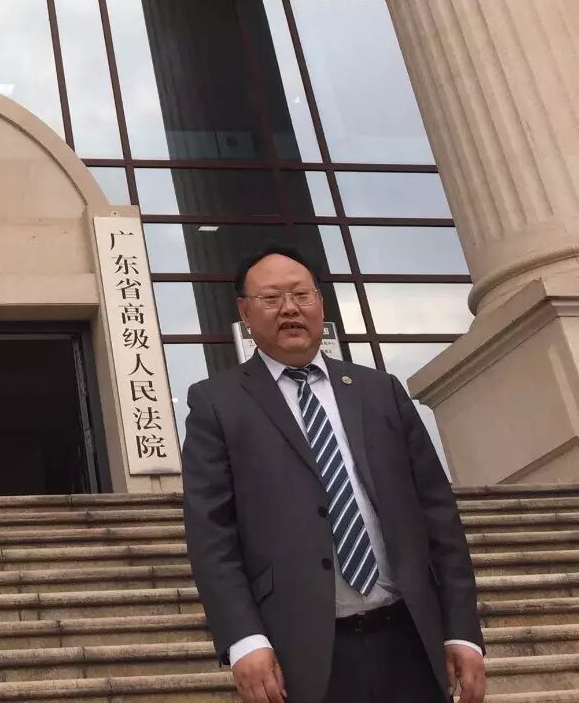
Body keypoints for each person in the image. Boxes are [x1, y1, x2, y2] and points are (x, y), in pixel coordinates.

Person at [182, 245, 486, 703]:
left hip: (410, 638)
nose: (289, 308)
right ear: (245, 312)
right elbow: (211, 535)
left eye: (301, 295)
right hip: (301, 652)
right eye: (271, 299)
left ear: (320, 303)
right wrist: (244, 638)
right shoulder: (217, 403)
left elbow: (438, 514)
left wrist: (461, 630)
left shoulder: (379, 390)